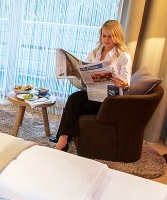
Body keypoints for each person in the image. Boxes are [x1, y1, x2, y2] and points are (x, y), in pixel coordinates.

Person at [52, 20, 132, 151]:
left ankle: (64, 139)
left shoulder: (124, 56)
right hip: (92, 94)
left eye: (110, 36)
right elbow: (85, 72)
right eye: (104, 35)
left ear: (117, 37)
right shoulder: (94, 53)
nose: (106, 39)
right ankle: (63, 139)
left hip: (109, 100)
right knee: (74, 98)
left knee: (75, 106)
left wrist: (123, 83)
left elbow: (126, 82)